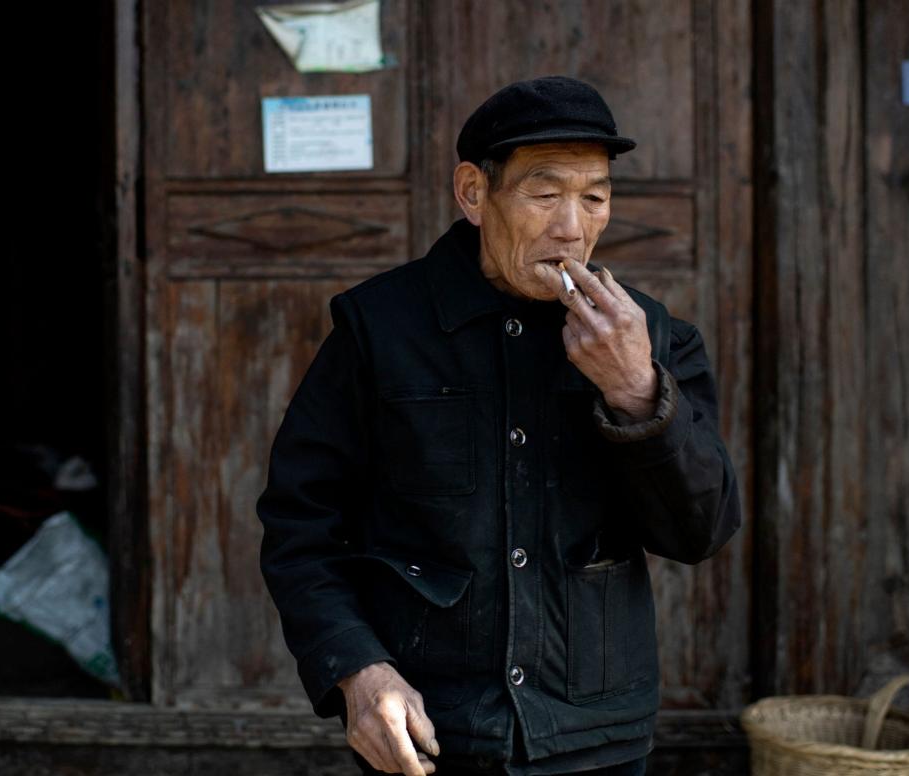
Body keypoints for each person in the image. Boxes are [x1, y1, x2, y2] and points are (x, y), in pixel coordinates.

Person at [257, 75, 742, 776]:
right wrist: (357, 669)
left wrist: (637, 393)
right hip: (431, 732)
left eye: (595, 197)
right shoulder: (379, 329)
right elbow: (301, 523)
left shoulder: (652, 339)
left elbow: (700, 533)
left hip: (596, 737)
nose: (573, 227)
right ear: (474, 194)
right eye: (545, 194)